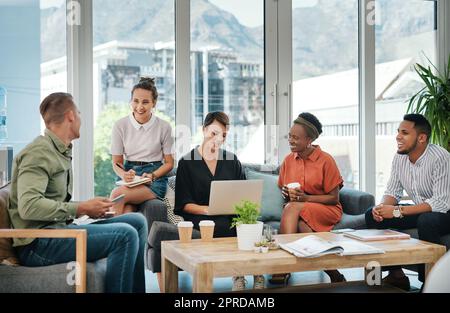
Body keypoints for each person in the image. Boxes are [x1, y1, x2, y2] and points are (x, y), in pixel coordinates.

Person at [7, 92, 148, 293]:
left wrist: (89, 208)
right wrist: (80, 207)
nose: (81, 119)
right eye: (79, 113)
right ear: (71, 116)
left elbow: (52, 203)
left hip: (57, 231)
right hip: (38, 244)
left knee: (137, 222)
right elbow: (29, 206)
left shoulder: (59, 150)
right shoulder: (38, 153)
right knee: (124, 235)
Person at [174, 111, 265, 291]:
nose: (218, 138)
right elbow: (183, 204)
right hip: (201, 216)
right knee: (222, 225)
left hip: (231, 213)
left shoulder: (232, 160)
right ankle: (238, 274)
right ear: (204, 130)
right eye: (214, 133)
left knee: (249, 225)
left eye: (223, 135)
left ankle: (257, 272)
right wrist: (207, 209)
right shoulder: (186, 162)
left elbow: (243, 194)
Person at [365, 114, 450, 290]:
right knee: (372, 215)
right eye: (398, 132)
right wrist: (382, 208)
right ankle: (396, 275)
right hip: (423, 209)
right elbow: (392, 191)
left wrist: (397, 211)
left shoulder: (441, 157)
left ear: (421, 138)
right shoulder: (400, 157)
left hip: (444, 212)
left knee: (427, 220)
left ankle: (430, 283)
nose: (398, 136)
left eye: (404, 132)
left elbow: (440, 203)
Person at [270, 113, 346, 285]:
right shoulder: (288, 160)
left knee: (291, 208)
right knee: (302, 225)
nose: (291, 140)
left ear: (309, 139)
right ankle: (334, 273)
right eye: (290, 136)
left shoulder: (326, 160)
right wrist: (286, 193)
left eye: (296, 138)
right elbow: (283, 186)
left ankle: (283, 266)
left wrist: (306, 198)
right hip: (300, 212)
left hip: (327, 209)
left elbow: (334, 199)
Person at [110, 77, 174, 215]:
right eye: (136, 101)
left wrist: (152, 175)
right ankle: (126, 236)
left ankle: (109, 235)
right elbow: (116, 162)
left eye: (145, 102)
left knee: (117, 195)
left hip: (153, 178)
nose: (140, 107)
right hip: (129, 175)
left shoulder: (164, 127)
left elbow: (169, 163)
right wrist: (124, 174)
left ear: (154, 103)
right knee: (128, 212)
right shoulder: (120, 125)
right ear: (130, 101)